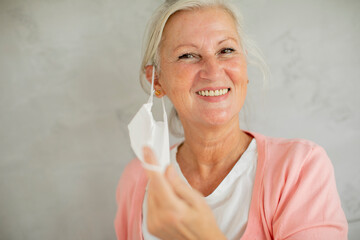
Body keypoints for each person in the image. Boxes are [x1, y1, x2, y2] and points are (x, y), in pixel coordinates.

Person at [114, 0, 348, 239]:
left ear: (244, 65)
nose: (213, 71)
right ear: (156, 80)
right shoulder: (137, 179)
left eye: (226, 51)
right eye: (188, 55)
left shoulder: (299, 168)